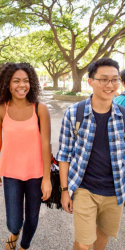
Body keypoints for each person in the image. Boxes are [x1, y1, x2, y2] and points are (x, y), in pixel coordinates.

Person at [56, 57, 124, 250]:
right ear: (91, 81)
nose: (110, 85)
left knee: (102, 238)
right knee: (85, 242)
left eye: (114, 79)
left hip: (115, 191)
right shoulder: (74, 113)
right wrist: (64, 191)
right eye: (104, 79)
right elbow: (64, 154)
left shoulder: (123, 116)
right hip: (84, 188)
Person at [0, 62, 52, 250]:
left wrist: (47, 179)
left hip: (36, 174)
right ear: (7, 84)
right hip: (11, 174)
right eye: (16, 81)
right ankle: (15, 233)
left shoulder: (40, 109)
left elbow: (45, 144)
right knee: (14, 221)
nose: (21, 85)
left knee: (33, 217)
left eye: (26, 81)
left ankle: (24, 245)